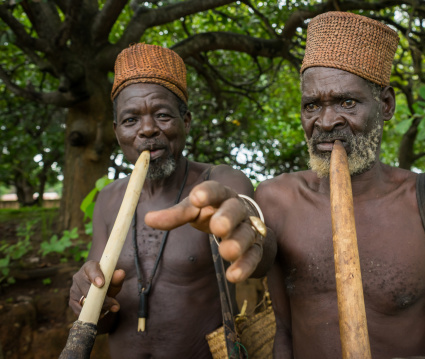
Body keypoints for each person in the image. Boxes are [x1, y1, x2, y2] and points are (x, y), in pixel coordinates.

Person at [251, 11, 425, 359]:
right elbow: (280, 335)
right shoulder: (276, 200)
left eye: (347, 102)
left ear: (385, 105)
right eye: (312, 106)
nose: (326, 122)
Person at [68, 43, 275, 359]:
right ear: (116, 132)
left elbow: (261, 249)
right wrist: (87, 300)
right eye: (130, 120)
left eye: (162, 115)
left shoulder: (218, 180)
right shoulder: (108, 200)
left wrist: (249, 231)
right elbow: (106, 321)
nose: (148, 129)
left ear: (186, 122)